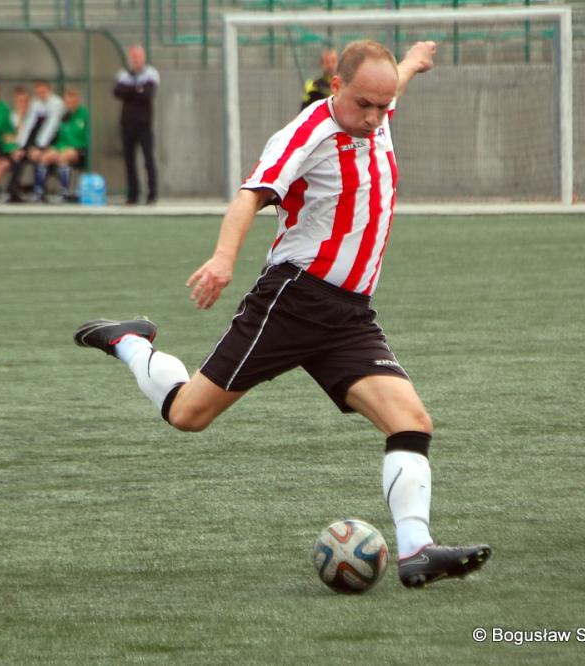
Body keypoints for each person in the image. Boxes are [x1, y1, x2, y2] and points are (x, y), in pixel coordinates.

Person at [75, 40, 491, 589]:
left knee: (410, 422)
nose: (373, 118)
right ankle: (129, 341)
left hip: (348, 315)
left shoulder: (376, 113)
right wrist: (224, 259)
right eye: (364, 104)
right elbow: (250, 195)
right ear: (336, 86)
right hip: (294, 300)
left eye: (383, 107)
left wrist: (410, 64)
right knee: (188, 415)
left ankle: (417, 551)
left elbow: (388, 92)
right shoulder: (308, 133)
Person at [5, 79, 65, 202]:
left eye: (43, 91)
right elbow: (29, 126)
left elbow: (51, 127)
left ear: (49, 90)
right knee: (19, 156)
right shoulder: (36, 104)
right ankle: (13, 191)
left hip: (52, 141)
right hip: (36, 142)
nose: (40, 94)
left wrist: (40, 147)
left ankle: (40, 191)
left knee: (41, 158)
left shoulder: (56, 103)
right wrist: (22, 147)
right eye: (38, 92)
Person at [113, 44, 159, 205]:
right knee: (129, 161)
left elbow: (147, 94)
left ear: (143, 57)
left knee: (148, 159)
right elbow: (118, 92)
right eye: (133, 57)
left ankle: (152, 194)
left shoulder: (151, 73)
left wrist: (131, 90)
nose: (135, 60)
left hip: (144, 124)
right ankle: (132, 194)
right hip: (127, 124)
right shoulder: (123, 74)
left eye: (138, 57)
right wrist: (137, 89)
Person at [33, 87, 89, 203]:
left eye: (72, 100)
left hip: (78, 148)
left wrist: (72, 147)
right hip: (61, 146)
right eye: (68, 101)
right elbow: (58, 136)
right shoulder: (63, 116)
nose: (70, 104)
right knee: (45, 157)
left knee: (64, 157)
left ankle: (65, 192)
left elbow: (84, 136)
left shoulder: (84, 114)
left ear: (77, 100)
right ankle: (39, 191)